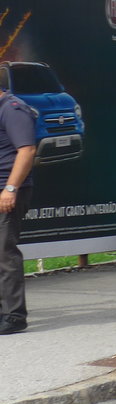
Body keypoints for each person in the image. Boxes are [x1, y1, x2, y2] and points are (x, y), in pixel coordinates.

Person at [0, 84, 36, 335]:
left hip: (6, 190)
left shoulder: (11, 109)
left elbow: (27, 150)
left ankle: (14, 315)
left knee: (4, 253)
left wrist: (10, 189)